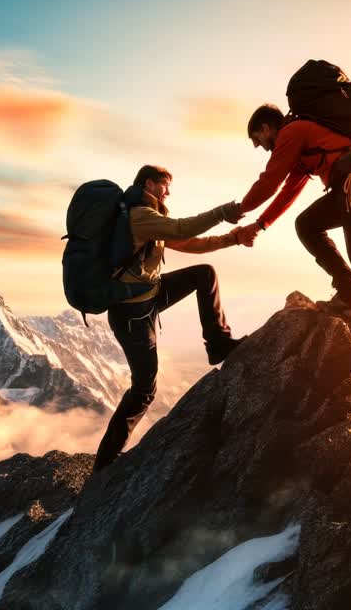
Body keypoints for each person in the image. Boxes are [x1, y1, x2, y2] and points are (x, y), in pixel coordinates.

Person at [235, 104, 351, 373]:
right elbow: (288, 191)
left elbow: (269, 180)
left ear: (266, 127)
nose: (261, 147)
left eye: (258, 140)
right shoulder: (301, 145)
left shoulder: (293, 131)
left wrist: (237, 210)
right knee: (307, 224)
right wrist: (259, 225)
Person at [93, 164, 247, 472]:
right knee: (144, 390)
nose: (168, 192)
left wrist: (233, 238)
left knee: (204, 274)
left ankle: (217, 343)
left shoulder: (150, 217)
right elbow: (182, 230)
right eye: (165, 186)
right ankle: (105, 462)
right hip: (132, 315)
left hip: (149, 296)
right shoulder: (139, 215)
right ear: (149, 183)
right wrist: (222, 212)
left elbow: (189, 244)